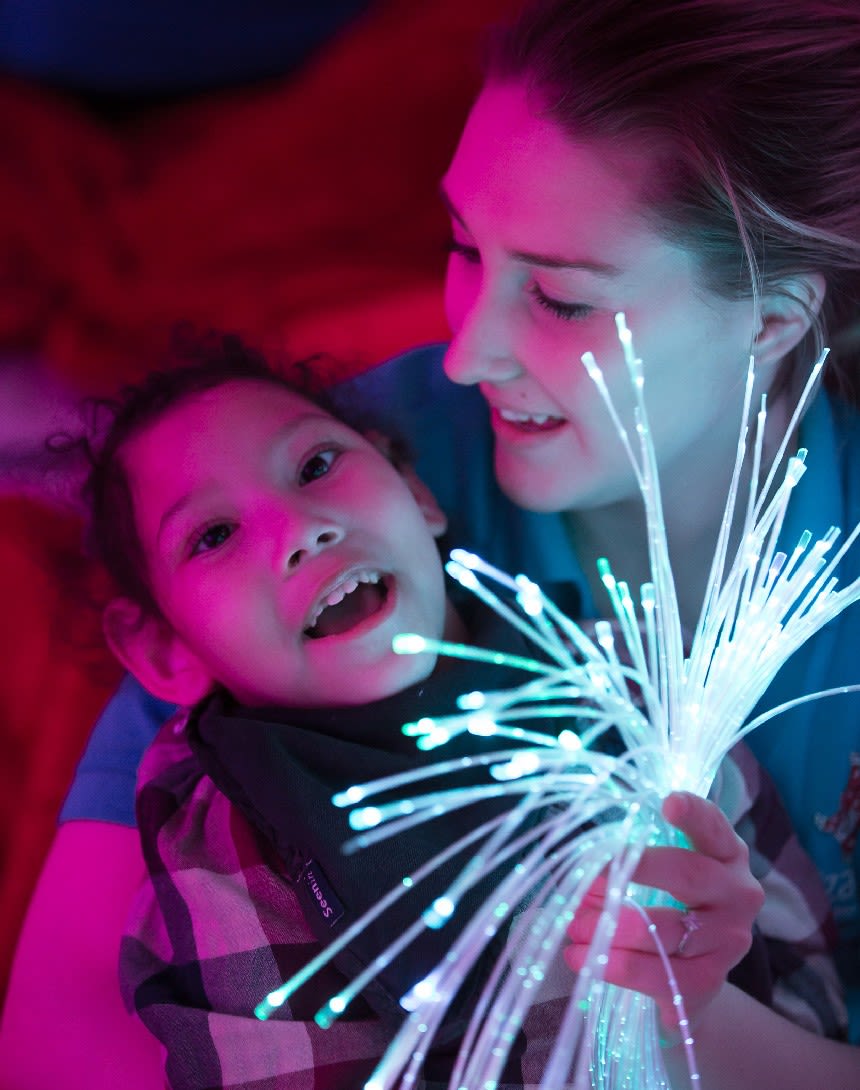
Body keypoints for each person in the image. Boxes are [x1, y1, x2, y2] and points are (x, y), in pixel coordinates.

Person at [2, 0, 860, 1086]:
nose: (464, 354)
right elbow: (54, 1034)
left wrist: (666, 1013)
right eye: (461, 246)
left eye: (557, 296)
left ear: (773, 319)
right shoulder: (339, 471)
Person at [82, 338, 840, 1089]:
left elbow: (817, 994)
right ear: (160, 653)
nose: (300, 531)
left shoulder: (630, 687)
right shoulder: (229, 859)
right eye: (213, 536)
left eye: (316, 466)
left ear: (415, 490)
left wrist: (699, 1013)